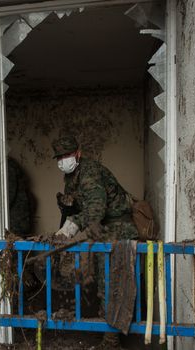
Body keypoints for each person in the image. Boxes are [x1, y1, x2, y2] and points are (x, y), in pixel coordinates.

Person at [51, 135, 137, 349]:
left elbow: (96, 210)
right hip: (103, 229)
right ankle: (109, 330)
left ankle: (111, 339)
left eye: (68, 155)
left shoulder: (88, 171)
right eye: (60, 156)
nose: (63, 160)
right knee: (103, 278)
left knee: (111, 281)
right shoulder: (71, 175)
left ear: (78, 153)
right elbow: (84, 205)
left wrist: (70, 226)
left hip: (117, 229)